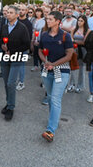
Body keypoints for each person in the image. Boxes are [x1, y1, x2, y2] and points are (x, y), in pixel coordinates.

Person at [38, 11, 74, 142]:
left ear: (58, 21)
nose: (48, 21)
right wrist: (45, 62)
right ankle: (53, 120)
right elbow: (40, 51)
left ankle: (50, 130)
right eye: (47, 19)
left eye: (51, 19)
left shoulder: (65, 36)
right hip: (47, 70)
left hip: (62, 70)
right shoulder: (44, 35)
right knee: (50, 97)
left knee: (55, 99)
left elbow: (69, 55)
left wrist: (54, 64)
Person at [0, 5, 30, 121]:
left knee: (11, 82)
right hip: (5, 57)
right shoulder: (4, 27)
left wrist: (12, 51)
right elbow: (0, 40)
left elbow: (26, 45)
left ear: (17, 15)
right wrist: (2, 46)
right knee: (6, 82)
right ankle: (8, 102)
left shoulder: (22, 28)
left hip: (16, 58)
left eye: (11, 12)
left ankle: (11, 107)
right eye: (7, 12)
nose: (8, 14)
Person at [68, 15, 90, 93]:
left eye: (81, 21)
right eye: (78, 20)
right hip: (74, 50)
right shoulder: (74, 29)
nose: (79, 22)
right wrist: (73, 42)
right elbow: (70, 39)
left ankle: (80, 86)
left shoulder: (87, 30)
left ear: (85, 22)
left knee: (81, 69)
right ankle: (71, 84)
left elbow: (84, 41)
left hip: (82, 51)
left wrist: (75, 41)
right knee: (72, 68)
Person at [16, 4, 32, 91]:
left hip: (22, 48)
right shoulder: (15, 20)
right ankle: (16, 80)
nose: (21, 11)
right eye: (19, 9)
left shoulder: (28, 23)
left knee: (21, 65)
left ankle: (21, 82)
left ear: (26, 11)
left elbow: (28, 37)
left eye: (23, 9)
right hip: (13, 47)